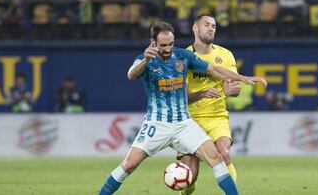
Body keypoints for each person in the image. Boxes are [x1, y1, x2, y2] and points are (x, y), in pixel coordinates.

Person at [97, 21, 267, 195]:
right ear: (153, 42)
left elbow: (214, 70)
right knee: (128, 165)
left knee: (216, 158)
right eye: (163, 45)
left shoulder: (183, 56)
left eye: (170, 44)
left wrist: (244, 78)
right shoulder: (144, 59)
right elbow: (131, 74)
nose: (168, 48)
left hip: (184, 124)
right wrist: (146, 60)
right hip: (157, 124)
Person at [178, 14, 241, 195]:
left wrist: (232, 90)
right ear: (195, 29)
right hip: (191, 121)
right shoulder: (183, 58)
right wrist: (201, 94)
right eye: (207, 25)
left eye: (214, 26)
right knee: (190, 175)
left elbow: (232, 86)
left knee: (224, 153)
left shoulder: (226, 55)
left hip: (217, 117)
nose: (211, 28)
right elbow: (181, 97)